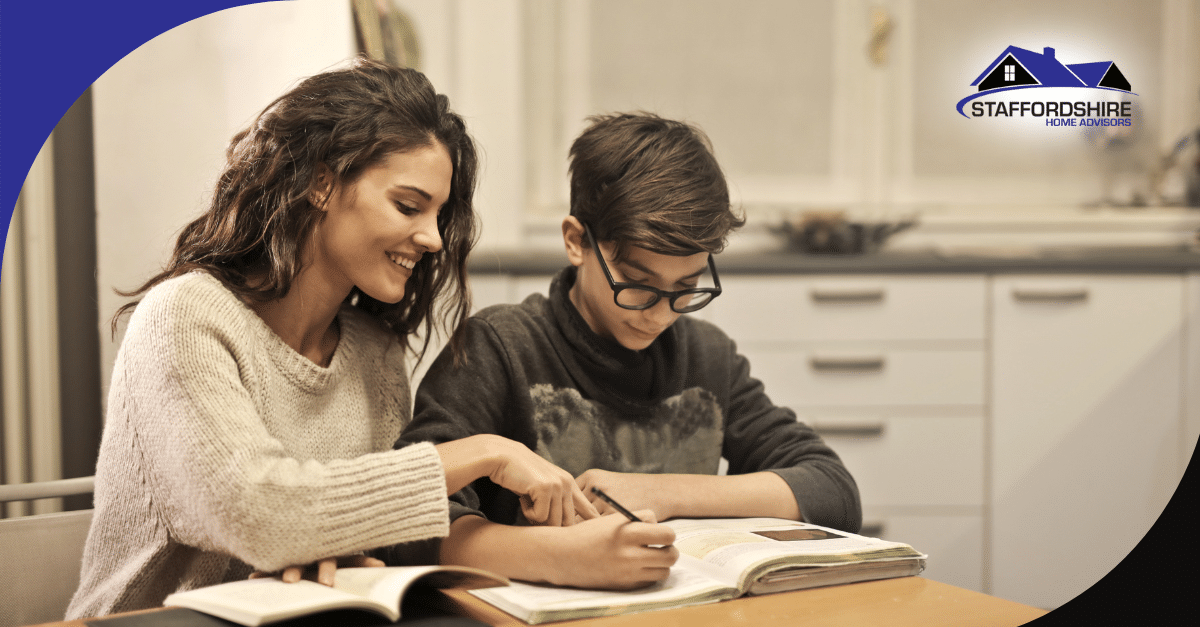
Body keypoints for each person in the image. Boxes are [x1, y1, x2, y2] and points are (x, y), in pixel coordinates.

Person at [67, 57, 598, 619]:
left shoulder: (374, 351)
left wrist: (335, 553)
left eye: (439, 215)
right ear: (322, 182)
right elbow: (260, 514)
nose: (433, 239)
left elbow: (347, 532)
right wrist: (485, 452)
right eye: (409, 206)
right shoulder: (184, 318)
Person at [400, 112, 862, 589]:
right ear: (576, 241)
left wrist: (660, 492)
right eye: (639, 286)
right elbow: (404, 519)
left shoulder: (708, 356)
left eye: (686, 287)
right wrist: (558, 556)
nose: (661, 315)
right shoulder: (499, 349)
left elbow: (832, 490)